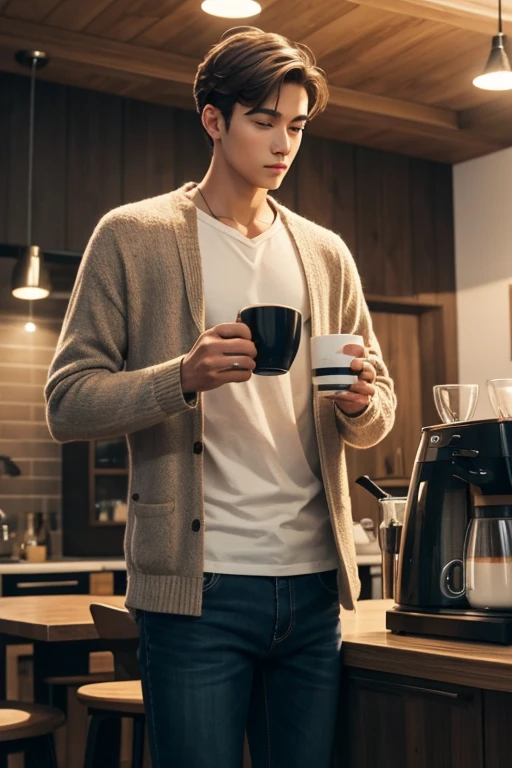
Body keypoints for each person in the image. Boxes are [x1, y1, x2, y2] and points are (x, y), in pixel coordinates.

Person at [45, 26, 396, 768]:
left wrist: (362, 404)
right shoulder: (134, 236)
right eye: (264, 121)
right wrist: (182, 376)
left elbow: (380, 409)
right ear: (214, 119)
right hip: (197, 592)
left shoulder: (325, 253)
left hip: (311, 590)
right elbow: (68, 401)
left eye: (296, 125)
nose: (284, 144)